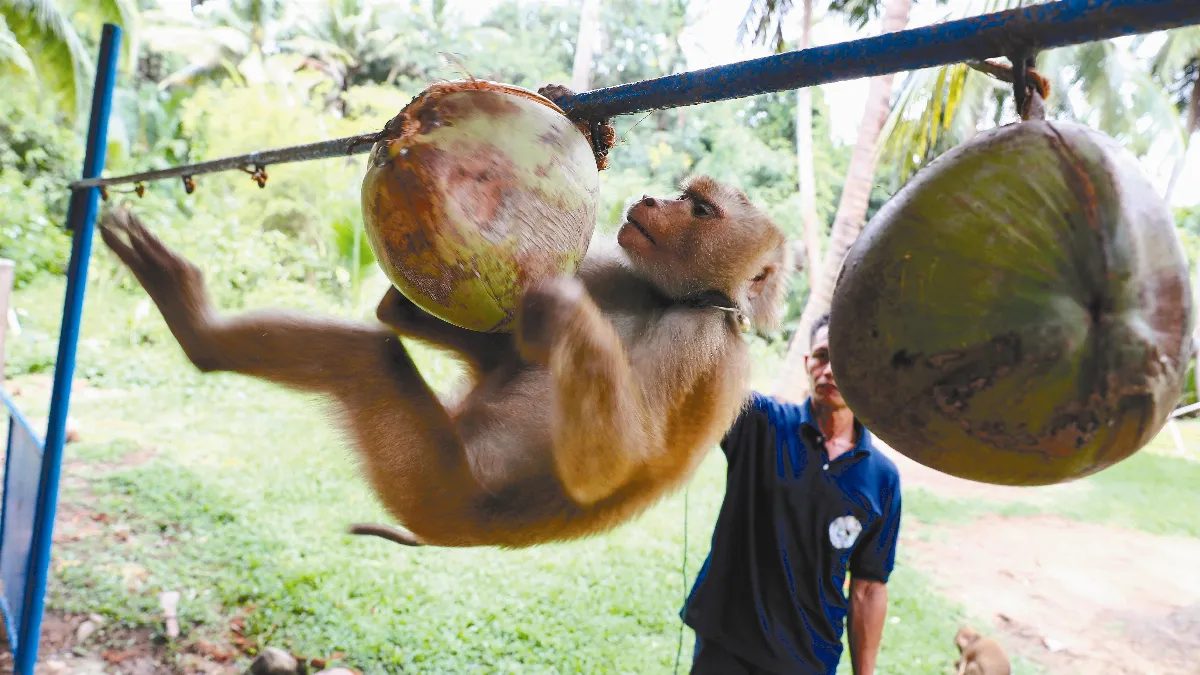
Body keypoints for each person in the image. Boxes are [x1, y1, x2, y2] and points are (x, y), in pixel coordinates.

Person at [680, 311, 903, 675]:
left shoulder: (882, 479)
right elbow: (700, 376)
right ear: (807, 363)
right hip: (727, 647)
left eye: (845, 359)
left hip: (810, 658)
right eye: (822, 356)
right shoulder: (760, 423)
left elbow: (868, 589)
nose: (830, 369)